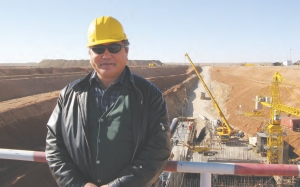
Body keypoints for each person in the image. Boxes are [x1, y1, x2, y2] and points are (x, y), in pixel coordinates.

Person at [45, 16, 171, 187]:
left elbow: (158, 150)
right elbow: (54, 146)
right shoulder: (70, 94)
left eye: (114, 47)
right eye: (98, 49)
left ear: (126, 51)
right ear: (90, 54)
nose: (106, 55)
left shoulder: (149, 96)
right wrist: (77, 184)